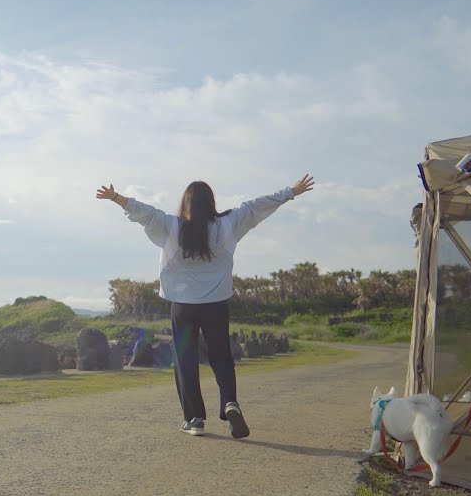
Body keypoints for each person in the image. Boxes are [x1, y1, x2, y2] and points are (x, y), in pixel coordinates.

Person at [96, 175, 315, 438]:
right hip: (216, 305)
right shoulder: (227, 224)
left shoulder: (171, 226)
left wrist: (116, 198)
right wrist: (290, 192)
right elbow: (255, 207)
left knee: (185, 360)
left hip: (183, 306)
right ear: (211, 202)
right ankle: (230, 403)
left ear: (185, 204)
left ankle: (195, 419)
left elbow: (145, 213)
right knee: (221, 357)